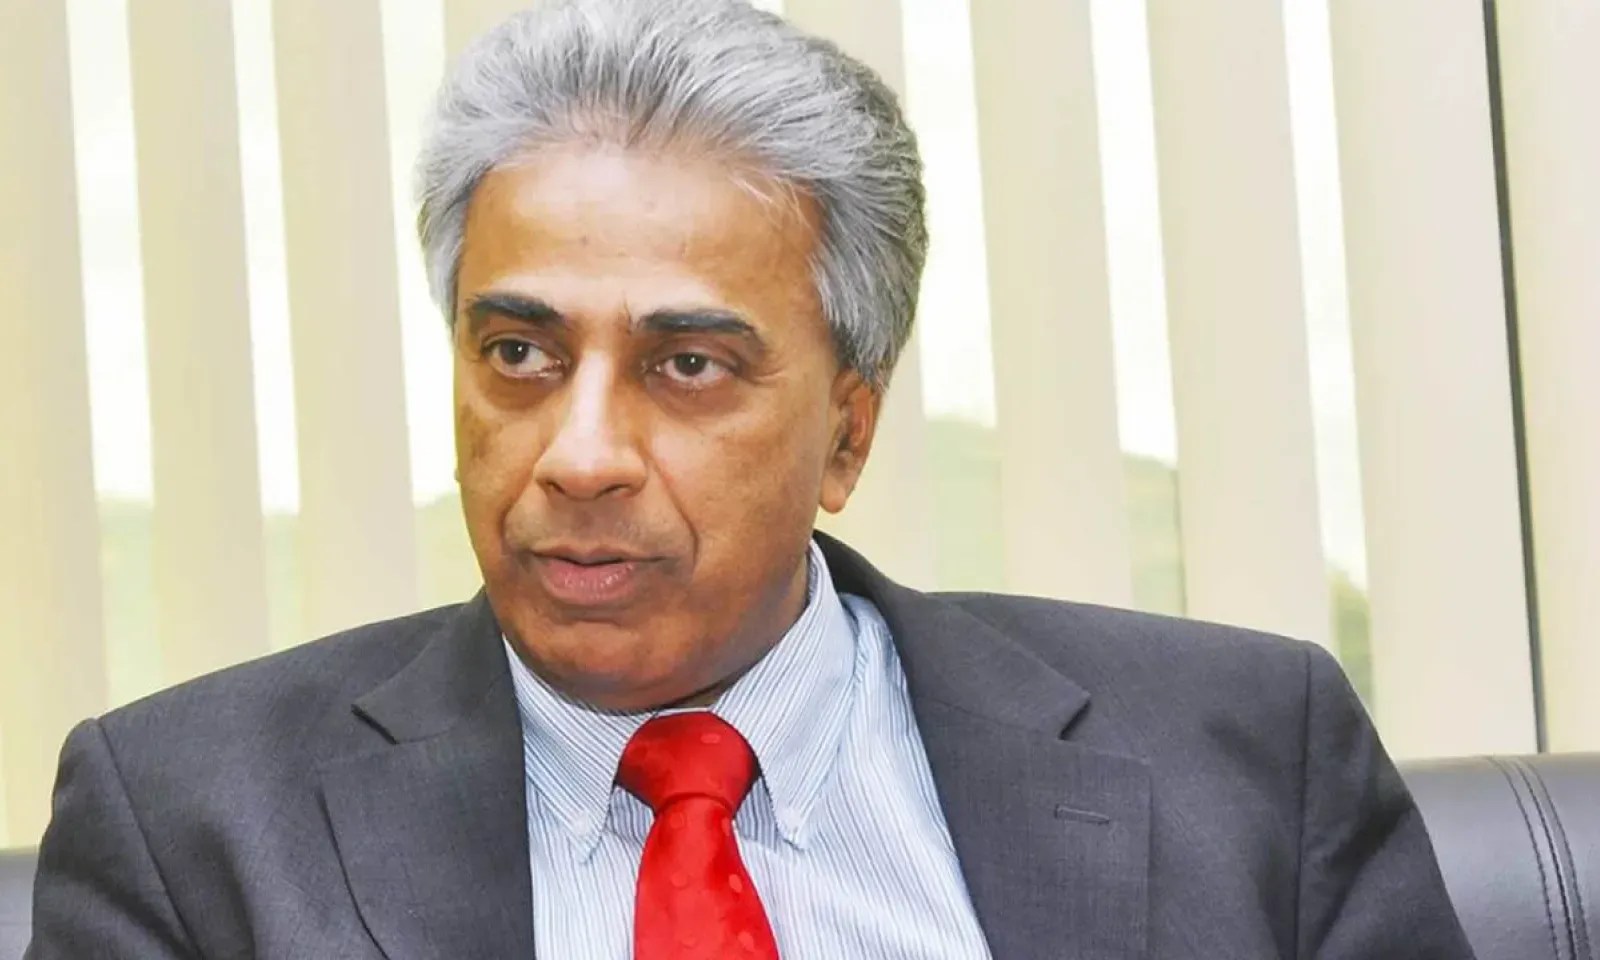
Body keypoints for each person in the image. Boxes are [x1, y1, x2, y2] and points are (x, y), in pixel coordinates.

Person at [26, 0, 1473, 957]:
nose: (580, 455)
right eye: (519, 353)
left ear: (848, 434)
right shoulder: (192, 831)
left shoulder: (1245, 761)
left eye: (689, 366)